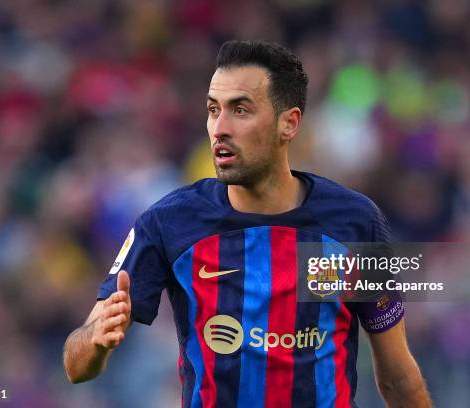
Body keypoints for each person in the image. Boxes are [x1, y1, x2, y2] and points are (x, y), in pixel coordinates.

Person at [63, 40, 431, 408]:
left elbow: (398, 376)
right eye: (213, 110)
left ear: (289, 123)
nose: (219, 128)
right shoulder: (168, 222)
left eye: (240, 110)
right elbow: (77, 368)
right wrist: (95, 340)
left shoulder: (354, 222)